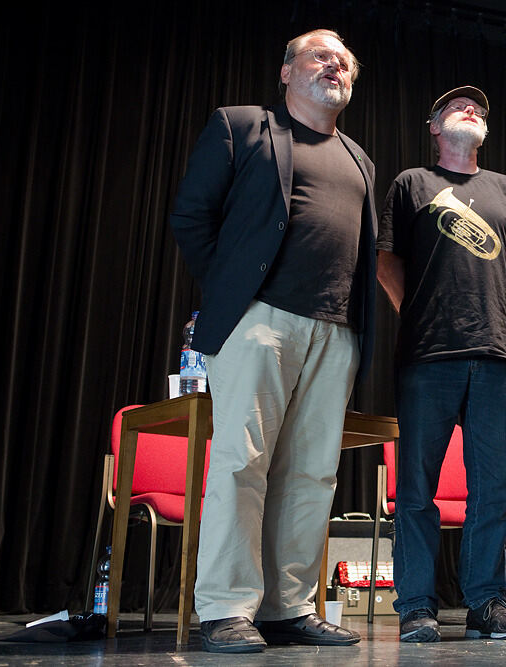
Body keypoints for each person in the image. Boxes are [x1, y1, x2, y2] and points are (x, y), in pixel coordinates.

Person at [169, 29, 378, 653]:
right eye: (321, 56)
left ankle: (287, 608)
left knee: (312, 474)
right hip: (258, 321)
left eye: (344, 62)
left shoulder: (361, 158)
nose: (335, 65)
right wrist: (234, 298)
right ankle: (226, 608)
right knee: (241, 464)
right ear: (286, 72)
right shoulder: (241, 126)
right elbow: (191, 216)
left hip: (335, 331)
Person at [376, 86, 506, 642]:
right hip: (427, 357)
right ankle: (416, 606)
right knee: (417, 489)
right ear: (434, 126)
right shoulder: (411, 183)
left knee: (493, 488)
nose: (472, 111)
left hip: (495, 358)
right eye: (456, 107)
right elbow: (386, 262)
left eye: (479, 110)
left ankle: (486, 603)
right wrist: (419, 316)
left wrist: (485, 317)